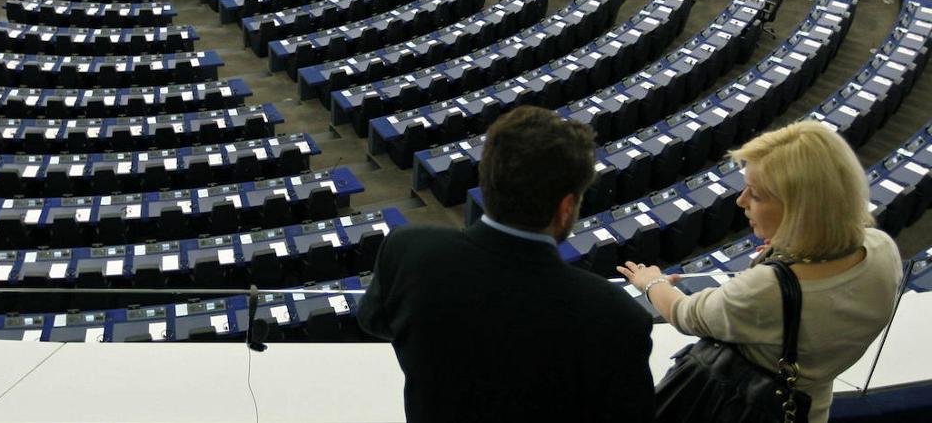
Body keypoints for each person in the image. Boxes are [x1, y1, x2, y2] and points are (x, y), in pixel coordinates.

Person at [358, 106, 655, 422]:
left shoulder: (409, 251)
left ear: (486, 179)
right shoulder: (618, 319)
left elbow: (374, 321)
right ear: (566, 206)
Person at [618, 120, 903, 423]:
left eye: (756, 194)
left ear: (798, 209)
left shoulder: (766, 289)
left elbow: (686, 314)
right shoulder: (882, 247)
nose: (741, 201)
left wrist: (652, 282)